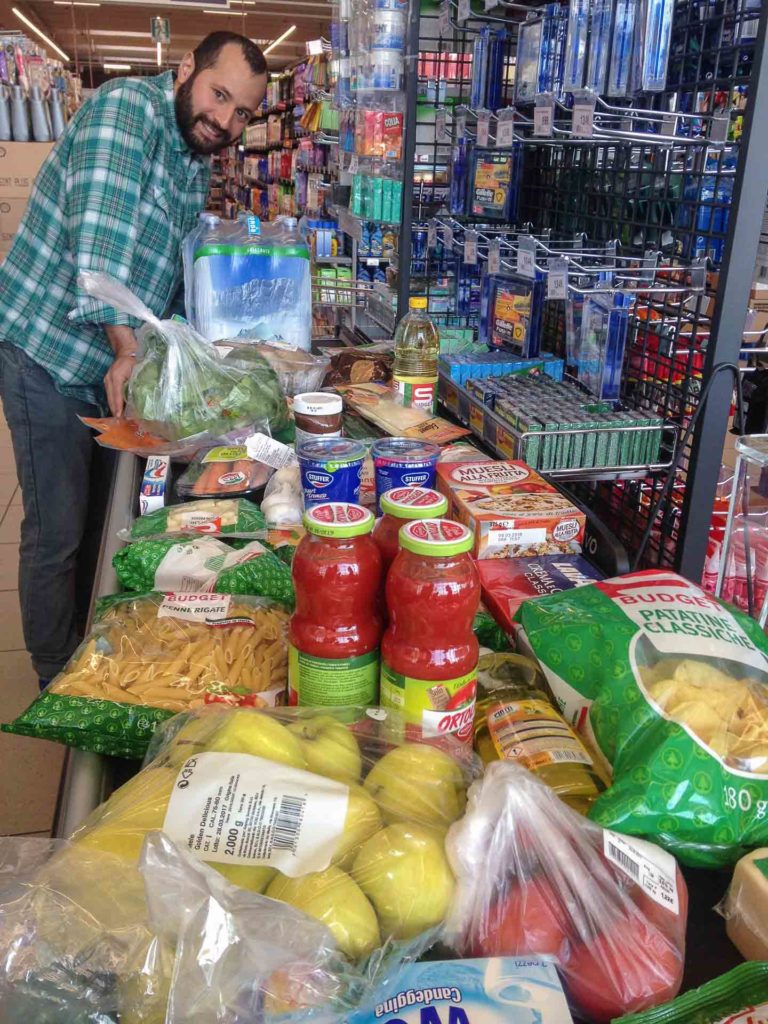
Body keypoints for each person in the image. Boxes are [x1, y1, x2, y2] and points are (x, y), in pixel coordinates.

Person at [0, 32, 267, 686]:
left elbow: (168, 271)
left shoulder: (193, 153)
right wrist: (127, 350)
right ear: (184, 71)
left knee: (103, 519)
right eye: (218, 95)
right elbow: (102, 249)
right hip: (48, 352)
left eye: (243, 113)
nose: (226, 122)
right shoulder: (124, 114)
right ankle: (55, 678)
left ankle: (93, 655)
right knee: (58, 532)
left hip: (111, 366)